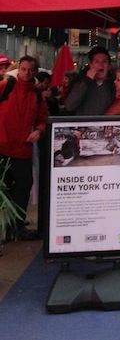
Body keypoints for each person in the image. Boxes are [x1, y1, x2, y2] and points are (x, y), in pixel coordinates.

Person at [0, 56, 48, 241]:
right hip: (2, 148)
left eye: (30, 69)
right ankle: (7, 228)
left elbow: (42, 120)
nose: (27, 72)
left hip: (23, 150)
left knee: (22, 189)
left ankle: (17, 227)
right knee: (4, 191)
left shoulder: (36, 95)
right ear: (18, 70)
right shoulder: (6, 87)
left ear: (35, 72)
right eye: (23, 69)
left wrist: (39, 131)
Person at [64, 46, 115, 115]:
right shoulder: (80, 82)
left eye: (104, 62)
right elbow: (69, 106)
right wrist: (86, 81)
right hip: (84, 124)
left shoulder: (114, 84)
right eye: (97, 62)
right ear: (90, 65)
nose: (101, 65)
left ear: (109, 66)